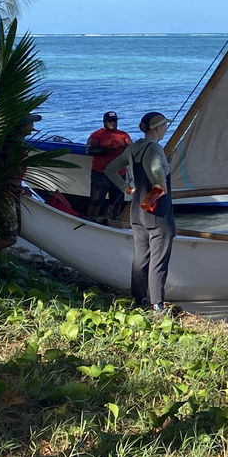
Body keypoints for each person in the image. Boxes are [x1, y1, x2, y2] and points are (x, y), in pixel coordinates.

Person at [106, 111, 177, 316]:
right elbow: (157, 176)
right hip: (157, 213)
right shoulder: (155, 148)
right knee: (159, 260)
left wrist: (127, 189)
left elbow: (111, 169)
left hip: (137, 212)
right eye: (164, 126)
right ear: (156, 128)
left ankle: (138, 301)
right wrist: (162, 180)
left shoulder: (134, 147)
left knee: (140, 258)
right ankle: (157, 306)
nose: (166, 129)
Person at [85, 111, 132, 223]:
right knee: (96, 200)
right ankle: (90, 221)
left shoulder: (123, 135)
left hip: (119, 173)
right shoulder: (96, 135)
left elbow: (132, 149)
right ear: (104, 122)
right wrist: (103, 151)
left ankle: (115, 222)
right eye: (110, 121)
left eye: (114, 121)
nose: (112, 123)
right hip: (101, 173)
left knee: (117, 201)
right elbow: (88, 150)